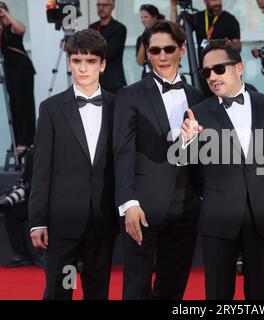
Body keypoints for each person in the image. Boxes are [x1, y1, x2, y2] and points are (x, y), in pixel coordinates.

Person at [181, 39, 264, 300]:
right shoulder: (197, 113)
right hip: (218, 218)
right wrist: (187, 143)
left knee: (259, 295)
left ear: (239, 68)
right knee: (218, 295)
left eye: (219, 68)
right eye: (206, 72)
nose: (212, 76)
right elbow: (188, 168)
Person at [113, 21, 204, 300]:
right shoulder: (130, 95)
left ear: (181, 49)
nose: (162, 56)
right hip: (143, 207)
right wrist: (128, 203)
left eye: (169, 49)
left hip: (186, 207)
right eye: (155, 50)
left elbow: (200, 156)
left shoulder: (197, 96)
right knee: (137, 287)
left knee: (173, 286)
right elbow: (123, 151)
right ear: (147, 52)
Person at [28, 29, 119, 300]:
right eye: (77, 61)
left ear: (102, 65)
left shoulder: (119, 106)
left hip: (103, 217)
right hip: (62, 219)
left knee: (97, 290)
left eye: (90, 61)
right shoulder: (51, 108)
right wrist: (37, 221)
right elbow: (41, 169)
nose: (83, 68)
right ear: (69, 63)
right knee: (60, 289)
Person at [170, 0, 241, 97]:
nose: (217, 3)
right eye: (213, 0)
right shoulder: (198, 17)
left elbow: (238, 46)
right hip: (205, 73)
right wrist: (173, 7)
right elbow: (174, 31)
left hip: (223, 71)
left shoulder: (230, 19)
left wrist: (230, 45)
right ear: (205, 1)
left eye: (219, 0)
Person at [0, 2, 36, 155]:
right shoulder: (1, 29)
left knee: (24, 103)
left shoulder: (12, 26)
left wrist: (6, 14)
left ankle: (26, 140)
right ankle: (17, 138)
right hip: (9, 68)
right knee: (13, 103)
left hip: (22, 68)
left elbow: (22, 29)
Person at [1, 146, 43, 268]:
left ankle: (42, 255)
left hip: (50, 201)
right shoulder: (32, 153)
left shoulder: (59, 151)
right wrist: (21, 192)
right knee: (11, 209)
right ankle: (21, 254)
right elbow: (25, 179)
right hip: (32, 197)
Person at [90, 0, 127, 94]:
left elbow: (110, 53)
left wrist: (91, 52)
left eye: (105, 5)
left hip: (113, 81)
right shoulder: (92, 27)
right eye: (99, 5)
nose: (101, 8)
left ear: (113, 7)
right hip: (94, 80)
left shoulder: (119, 28)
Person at [136, 4, 165, 79]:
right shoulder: (141, 38)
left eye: (146, 17)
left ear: (154, 17)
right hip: (147, 75)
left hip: (163, 74)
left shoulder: (164, 34)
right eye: (141, 17)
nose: (143, 20)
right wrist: (144, 39)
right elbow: (140, 62)